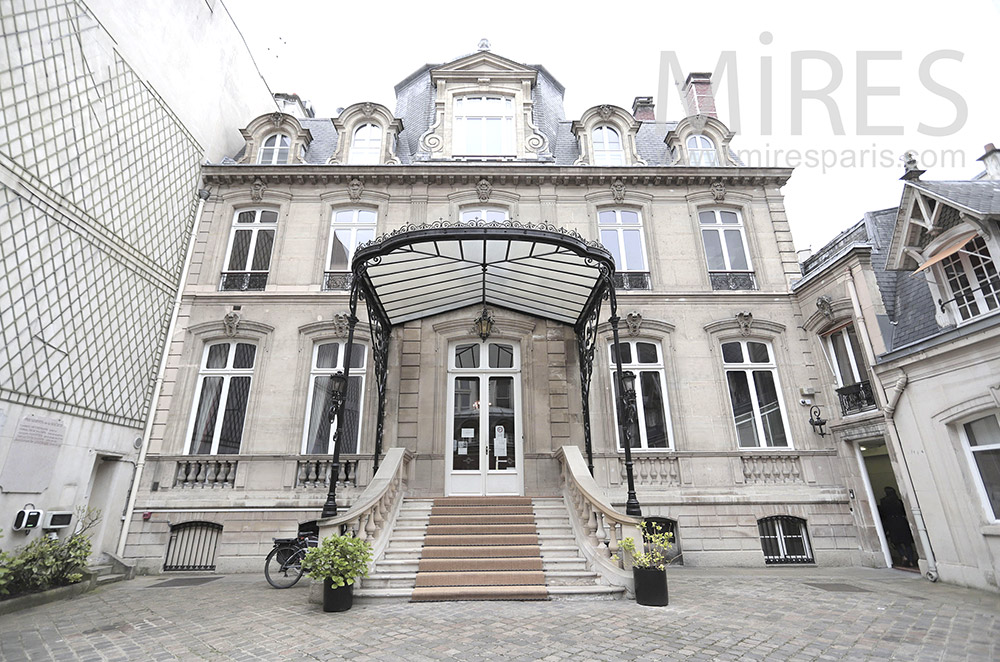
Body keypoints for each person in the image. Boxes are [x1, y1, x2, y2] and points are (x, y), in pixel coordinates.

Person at [880, 486, 917, 567]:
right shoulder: (899, 501)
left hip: (892, 522)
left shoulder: (883, 501)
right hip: (901, 521)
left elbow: (883, 513)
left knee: (896, 542)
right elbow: (904, 512)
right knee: (907, 543)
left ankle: (903, 555)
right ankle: (911, 561)